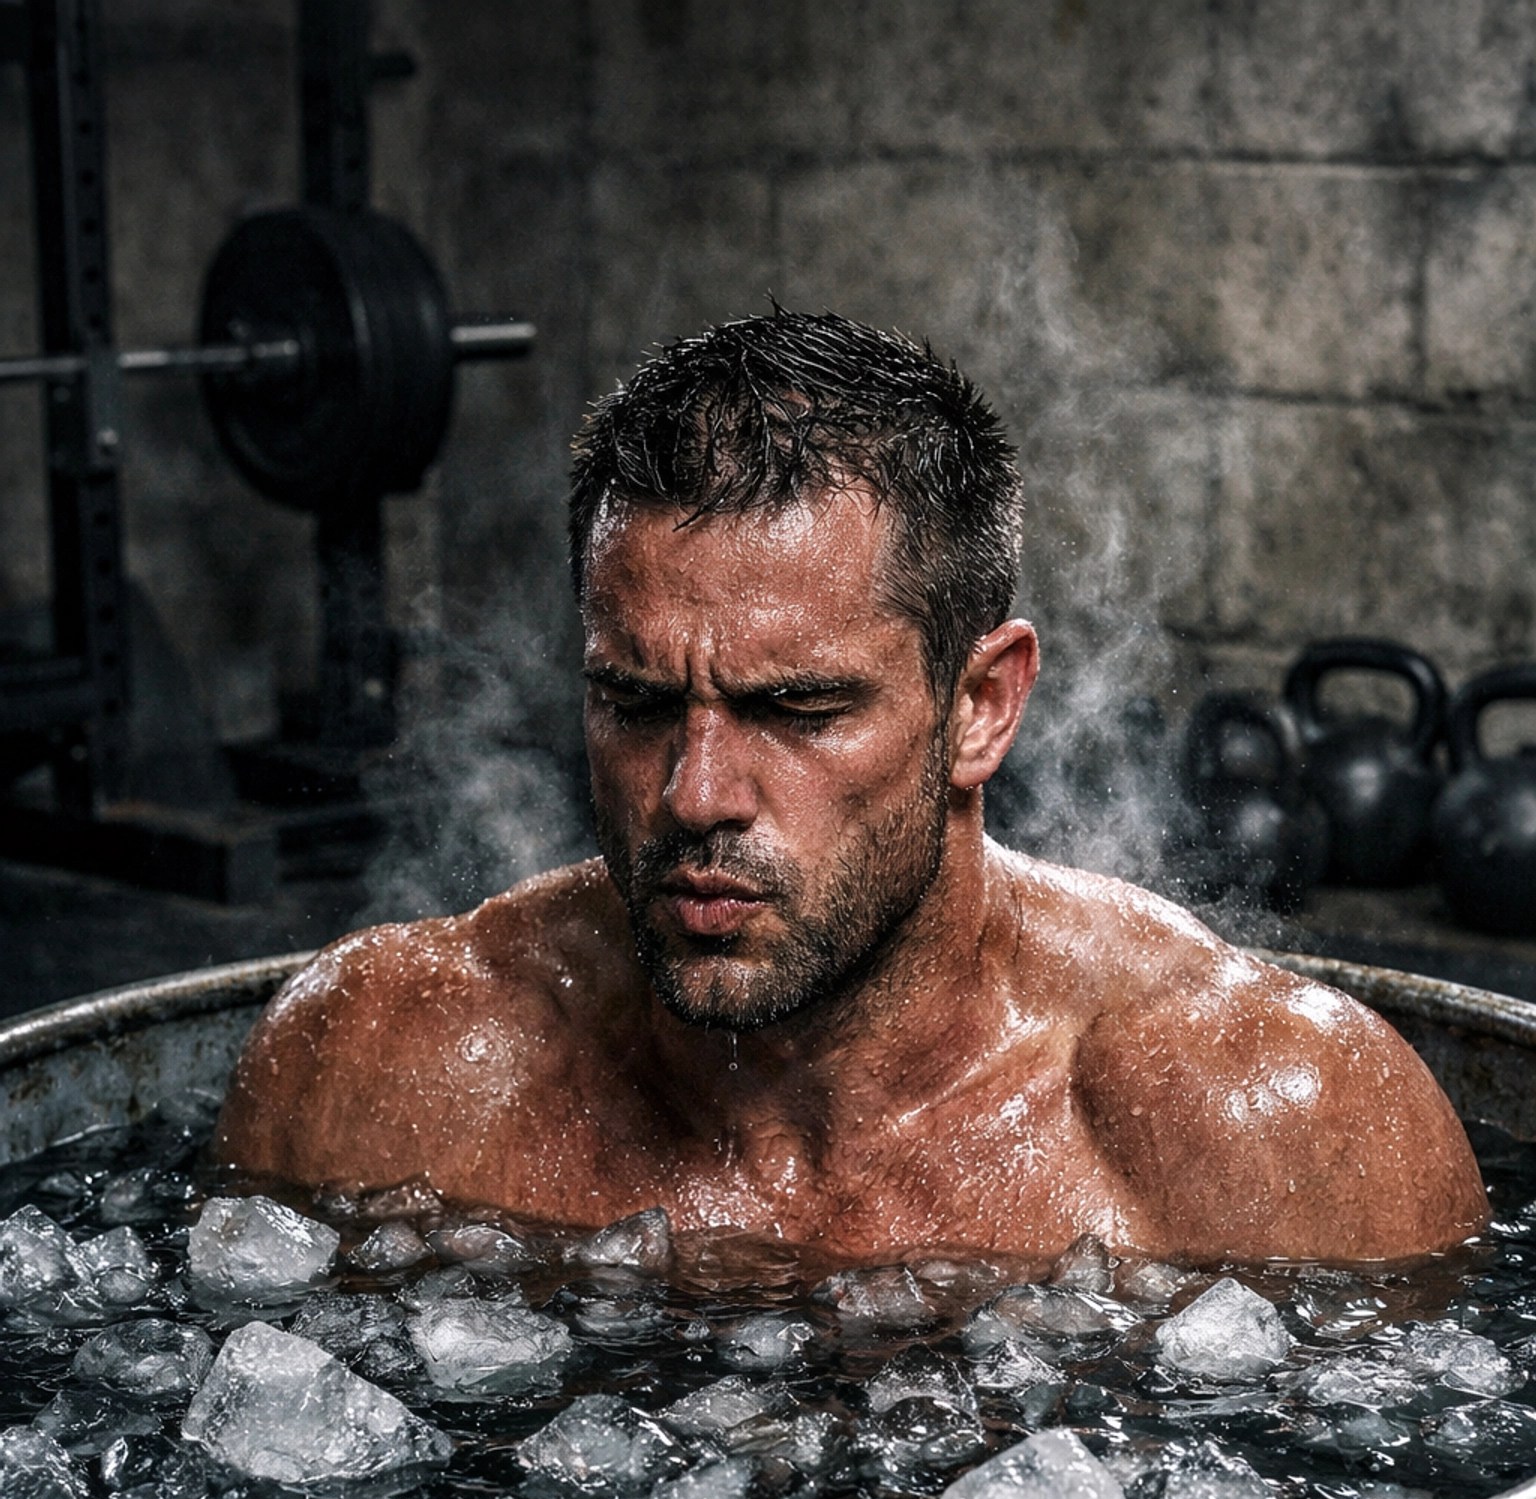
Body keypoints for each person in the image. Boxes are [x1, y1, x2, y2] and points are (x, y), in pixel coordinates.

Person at [216, 311, 1486, 1264]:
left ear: (981, 708)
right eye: (637, 703)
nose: (696, 794)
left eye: (799, 709)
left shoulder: (1277, 1129)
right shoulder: (392, 1073)